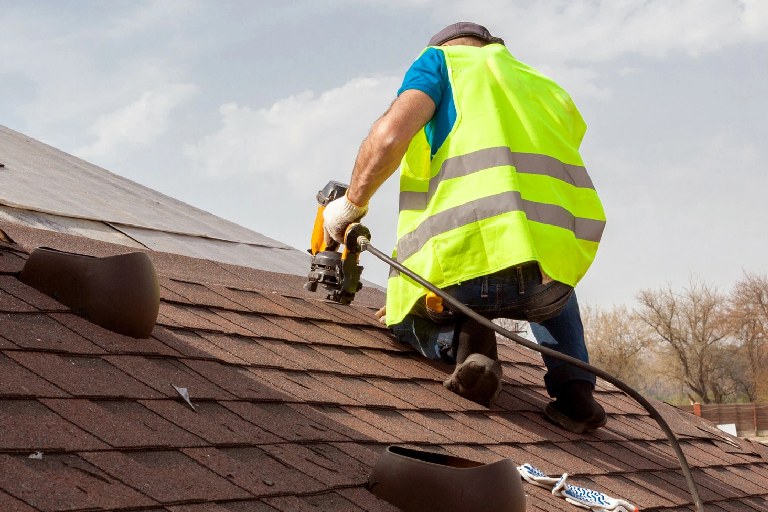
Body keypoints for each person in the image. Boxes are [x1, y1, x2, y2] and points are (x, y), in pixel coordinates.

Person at [323, 22, 607, 434]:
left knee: (403, 317)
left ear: (447, 48)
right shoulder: (543, 85)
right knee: (548, 277)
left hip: (468, 272)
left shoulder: (441, 64)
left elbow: (388, 138)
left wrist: (350, 206)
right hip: (552, 278)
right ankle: (576, 392)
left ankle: (471, 347)